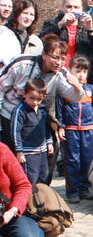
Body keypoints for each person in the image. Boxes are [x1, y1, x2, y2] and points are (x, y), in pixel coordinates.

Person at [0, 34, 85, 177]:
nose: (59, 62)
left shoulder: (60, 74)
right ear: (44, 55)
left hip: (37, 119)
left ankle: (40, 190)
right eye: (55, 57)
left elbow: (73, 96)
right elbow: (1, 88)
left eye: (63, 59)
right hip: (10, 116)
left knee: (49, 155)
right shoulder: (22, 63)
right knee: (12, 159)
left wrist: (78, 87)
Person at [39, 0, 93, 102]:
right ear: (62, 8)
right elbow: (41, 42)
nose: (72, 10)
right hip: (57, 75)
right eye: (69, 7)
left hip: (79, 76)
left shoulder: (86, 26)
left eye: (76, 7)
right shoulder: (52, 24)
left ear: (82, 10)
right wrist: (60, 24)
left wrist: (91, 31)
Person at [55, 55, 93, 203]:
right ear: (70, 71)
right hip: (71, 130)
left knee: (87, 160)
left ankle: (84, 188)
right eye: (78, 70)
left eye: (84, 71)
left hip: (88, 131)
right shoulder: (65, 90)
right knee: (72, 160)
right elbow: (59, 111)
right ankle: (72, 191)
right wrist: (61, 127)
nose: (81, 74)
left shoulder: (91, 91)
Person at [0, 141, 44, 237]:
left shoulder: (2, 150)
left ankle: (28, 227)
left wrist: (13, 210)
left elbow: (23, 185)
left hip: (10, 214)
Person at [9, 78, 52, 185]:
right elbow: (15, 132)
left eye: (39, 99)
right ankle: (30, 201)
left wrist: (49, 142)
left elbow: (46, 127)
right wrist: (19, 151)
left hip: (42, 151)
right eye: (32, 98)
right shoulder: (20, 111)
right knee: (31, 178)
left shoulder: (42, 109)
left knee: (44, 176)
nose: (35, 102)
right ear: (24, 94)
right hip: (28, 153)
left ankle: (41, 199)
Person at [0, 0, 43, 69]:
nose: (28, 17)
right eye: (25, 13)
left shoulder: (36, 41)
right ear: (17, 13)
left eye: (31, 14)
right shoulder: (2, 32)